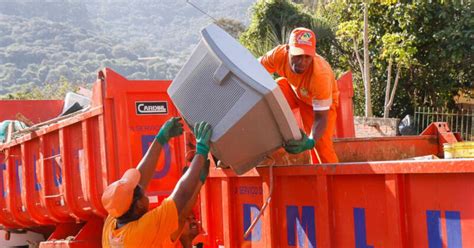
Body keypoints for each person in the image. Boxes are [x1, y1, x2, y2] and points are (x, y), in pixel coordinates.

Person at [101, 117, 212, 247]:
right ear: (139, 205)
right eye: (142, 193)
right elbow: (181, 196)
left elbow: (140, 177)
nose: (143, 188)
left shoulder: (113, 223)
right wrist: (201, 151)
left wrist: (160, 139)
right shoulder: (141, 231)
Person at [259, 27, 339, 163]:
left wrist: (310, 141)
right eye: (297, 56)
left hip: (318, 105)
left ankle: (333, 181)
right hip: (294, 90)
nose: (302, 61)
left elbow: (321, 118)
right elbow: (252, 71)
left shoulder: (320, 76)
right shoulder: (278, 55)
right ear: (288, 49)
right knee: (272, 91)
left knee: (322, 147)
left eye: (307, 57)